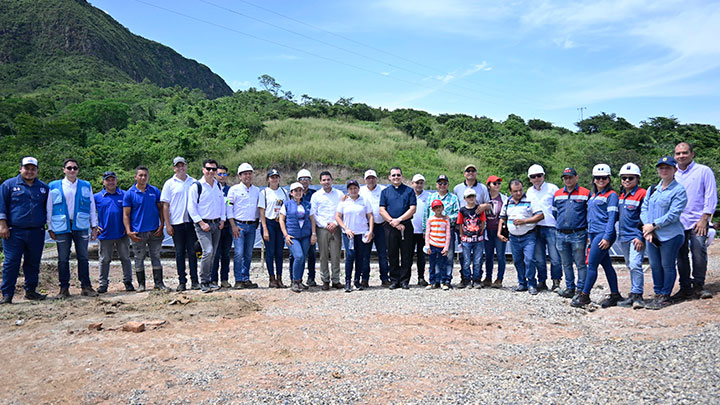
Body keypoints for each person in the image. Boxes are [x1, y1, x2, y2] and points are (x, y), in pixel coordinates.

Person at [572, 164, 623, 308]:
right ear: (594, 179)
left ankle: (584, 296)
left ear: (608, 179)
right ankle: (615, 294)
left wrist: (607, 237)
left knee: (592, 265)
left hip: (603, 234)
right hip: (594, 234)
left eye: (604, 178)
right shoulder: (594, 196)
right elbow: (591, 216)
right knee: (607, 265)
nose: (601, 180)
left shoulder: (611, 195)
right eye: (598, 178)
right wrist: (589, 235)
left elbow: (612, 218)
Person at [640, 156, 688, 310]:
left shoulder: (679, 190)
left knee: (667, 265)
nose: (664, 170)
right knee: (655, 265)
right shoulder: (652, 188)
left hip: (671, 235)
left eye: (667, 167)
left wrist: (653, 226)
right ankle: (658, 293)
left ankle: (666, 295)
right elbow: (644, 208)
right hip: (651, 234)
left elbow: (673, 214)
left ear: (675, 170)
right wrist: (647, 227)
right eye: (661, 167)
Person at [47, 158, 99, 298]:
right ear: (64, 169)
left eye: (74, 168)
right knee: (63, 258)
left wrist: (94, 226)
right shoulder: (53, 186)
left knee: (83, 257)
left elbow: (91, 206)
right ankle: (64, 288)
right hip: (61, 226)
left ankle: (86, 286)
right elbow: (49, 207)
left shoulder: (86, 185)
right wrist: (50, 227)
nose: (72, 170)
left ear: (78, 170)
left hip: (80, 226)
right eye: (69, 168)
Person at [0, 157, 49, 304]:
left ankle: (31, 291)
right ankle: (7, 294)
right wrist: (2, 225)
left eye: (33, 169)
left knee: (33, 262)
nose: (29, 171)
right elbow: (1, 206)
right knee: (11, 262)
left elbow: (48, 209)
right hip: (14, 232)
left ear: (37, 171)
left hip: (36, 231)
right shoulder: (8, 185)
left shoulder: (43, 188)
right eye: (26, 168)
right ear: (20, 169)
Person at [673, 142, 717, 300]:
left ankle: (698, 285)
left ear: (692, 154)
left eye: (684, 153)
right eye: (678, 154)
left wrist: (705, 219)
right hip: (678, 223)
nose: (681, 156)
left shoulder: (704, 171)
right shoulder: (673, 173)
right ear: (674, 156)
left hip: (698, 222)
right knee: (681, 255)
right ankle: (685, 286)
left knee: (698, 252)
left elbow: (711, 196)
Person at [123, 166, 170, 292]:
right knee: (139, 258)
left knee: (156, 256)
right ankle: (141, 284)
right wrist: (128, 231)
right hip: (138, 232)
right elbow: (126, 214)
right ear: (135, 177)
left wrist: (162, 225)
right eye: (140, 175)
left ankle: (159, 283)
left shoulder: (154, 191)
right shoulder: (130, 193)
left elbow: (161, 208)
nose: (143, 177)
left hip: (155, 230)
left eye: (145, 175)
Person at [498, 179, 544, 295]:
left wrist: (525, 221)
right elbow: (502, 218)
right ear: (510, 191)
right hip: (513, 237)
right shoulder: (507, 202)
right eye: (515, 191)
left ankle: (532, 284)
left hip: (528, 235)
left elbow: (540, 216)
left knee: (529, 260)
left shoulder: (530, 200)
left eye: (520, 190)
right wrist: (499, 233)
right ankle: (522, 283)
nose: (518, 193)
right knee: (518, 261)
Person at [187, 159, 226, 293]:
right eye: (208, 169)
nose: (211, 172)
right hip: (203, 224)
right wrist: (201, 223)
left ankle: (210, 281)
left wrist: (223, 219)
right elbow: (191, 207)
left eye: (213, 169)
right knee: (208, 251)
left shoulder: (218, 186)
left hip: (216, 224)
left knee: (213, 253)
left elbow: (222, 204)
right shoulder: (196, 186)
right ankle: (203, 281)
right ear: (203, 169)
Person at [160, 156, 198, 292]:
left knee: (193, 252)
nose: (180, 168)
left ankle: (195, 281)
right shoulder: (169, 184)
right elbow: (165, 205)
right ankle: (182, 281)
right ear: (174, 168)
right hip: (177, 223)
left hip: (191, 223)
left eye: (183, 165)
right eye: (178, 166)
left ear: (186, 166)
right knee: (180, 253)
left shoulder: (194, 182)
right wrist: (168, 225)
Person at [552, 167, 590, 299]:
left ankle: (581, 290)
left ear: (576, 177)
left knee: (580, 263)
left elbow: (589, 214)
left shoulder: (585, 193)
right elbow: (555, 212)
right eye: (565, 178)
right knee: (566, 263)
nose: (567, 180)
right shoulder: (557, 194)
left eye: (570, 177)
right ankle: (570, 288)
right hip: (561, 234)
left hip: (578, 234)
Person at [94, 171, 134, 293]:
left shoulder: (125, 195)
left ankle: (128, 282)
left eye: (113, 179)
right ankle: (103, 284)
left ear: (116, 181)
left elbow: (131, 212)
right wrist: (94, 227)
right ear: (103, 182)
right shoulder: (96, 197)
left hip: (122, 233)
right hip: (105, 234)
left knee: (125, 258)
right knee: (104, 259)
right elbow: (90, 213)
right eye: (108, 180)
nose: (111, 182)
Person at [615, 163, 648, 308]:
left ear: (637, 179)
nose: (627, 180)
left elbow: (646, 216)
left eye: (630, 178)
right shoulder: (621, 195)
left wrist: (640, 236)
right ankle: (633, 293)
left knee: (635, 265)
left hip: (635, 237)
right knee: (629, 265)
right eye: (624, 178)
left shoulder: (643, 194)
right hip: (623, 237)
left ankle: (638, 295)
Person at [379, 167, 417, 289]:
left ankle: (405, 280)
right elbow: (381, 209)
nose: (396, 177)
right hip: (390, 227)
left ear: (402, 176)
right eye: (393, 175)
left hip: (405, 226)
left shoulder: (409, 191)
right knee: (392, 253)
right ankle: (394, 280)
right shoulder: (385, 192)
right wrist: (392, 221)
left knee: (407, 254)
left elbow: (412, 209)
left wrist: (399, 220)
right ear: (390, 177)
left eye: (398, 175)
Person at [526, 164, 561, 291]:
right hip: (536, 228)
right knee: (539, 259)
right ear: (529, 179)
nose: (536, 178)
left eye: (539, 175)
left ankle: (556, 282)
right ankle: (542, 281)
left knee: (555, 257)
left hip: (552, 227)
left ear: (544, 176)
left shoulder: (553, 189)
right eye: (533, 176)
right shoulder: (529, 192)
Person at [453, 164, 492, 282]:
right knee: (464, 256)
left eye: (473, 171)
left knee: (478, 257)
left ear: (476, 173)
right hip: (463, 228)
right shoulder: (457, 188)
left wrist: (484, 206)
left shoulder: (483, 188)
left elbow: (489, 204)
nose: (470, 173)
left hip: (478, 228)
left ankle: (477, 278)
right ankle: (464, 278)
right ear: (464, 173)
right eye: (468, 171)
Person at [335, 179, 374, 292]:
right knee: (350, 256)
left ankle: (357, 281)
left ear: (358, 189)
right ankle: (348, 282)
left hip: (362, 232)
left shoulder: (364, 200)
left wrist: (370, 231)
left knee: (360, 257)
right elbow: (338, 216)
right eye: (351, 188)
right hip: (349, 233)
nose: (353, 190)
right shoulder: (344, 201)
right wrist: (345, 228)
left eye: (355, 188)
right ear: (348, 190)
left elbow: (370, 216)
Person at [226, 162, 260, 289]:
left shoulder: (256, 190)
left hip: (251, 226)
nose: (248, 176)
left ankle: (246, 278)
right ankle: (238, 280)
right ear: (239, 176)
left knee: (248, 254)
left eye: (249, 173)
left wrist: (256, 222)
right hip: (238, 225)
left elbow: (258, 208)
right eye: (245, 174)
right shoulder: (233, 190)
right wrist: (233, 225)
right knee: (239, 253)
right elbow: (229, 208)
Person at [424, 175, 461, 286]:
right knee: (433, 259)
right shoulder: (431, 197)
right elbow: (426, 214)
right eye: (440, 183)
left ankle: (447, 280)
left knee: (448, 257)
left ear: (448, 185)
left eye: (444, 183)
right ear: (436, 185)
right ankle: (436, 280)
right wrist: (424, 230)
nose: (442, 185)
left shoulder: (453, 198)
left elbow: (457, 213)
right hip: (433, 232)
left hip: (447, 231)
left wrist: (448, 217)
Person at [280, 182, 317, 293]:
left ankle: (300, 281)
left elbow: (312, 220)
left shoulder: (307, 204)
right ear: (291, 193)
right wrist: (286, 235)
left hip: (305, 236)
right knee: (299, 256)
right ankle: (295, 281)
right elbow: (281, 220)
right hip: (292, 236)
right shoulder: (286, 205)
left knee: (302, 258)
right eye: (295, 191)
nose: (298, 193)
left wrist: (313, 234)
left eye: (300, 190)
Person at [310, 171, 344, 290]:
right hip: (322, 228)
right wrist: (325, 224)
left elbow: (342, 210)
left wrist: (335, 223)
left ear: (332, 180)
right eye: (324, 180)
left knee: (336, 255)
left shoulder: (339, 194)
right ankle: (325, 280)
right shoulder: (316, 196)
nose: (326, 182)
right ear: (320, 181)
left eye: (328, 179)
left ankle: (336, 280)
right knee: (323, 255)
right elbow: (314, 214)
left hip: (336, 227)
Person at [258, 168, 289, 288]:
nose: (274, 179)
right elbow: (262, 212)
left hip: (280, 224)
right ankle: (272, 278)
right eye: (272, 177)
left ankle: (280, 277)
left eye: (276, 177)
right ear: (268, 179)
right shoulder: (264, 193)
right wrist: (265, 228)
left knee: (279, 252)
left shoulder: (284, 192)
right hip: (269, 223)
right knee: (270, 252)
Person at [359, 169, 390, 287]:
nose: (370, 180)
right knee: (365, 254)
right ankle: (365, 279)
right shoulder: (360, 190)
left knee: (382, 253)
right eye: (368, 178)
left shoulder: (383, 190)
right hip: (365, 227)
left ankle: (385, 278)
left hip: (381, 226)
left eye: (372, 178)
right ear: (365, 180)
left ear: (376, 179)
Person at [289, 169, 317, 287]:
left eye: (307, 179)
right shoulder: (292, 194)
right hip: (295, 231)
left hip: (309, 230)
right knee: (295, 255)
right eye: (302, 179)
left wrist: (314, 232)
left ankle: (311, 277)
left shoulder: (314, 194)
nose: (304, 181)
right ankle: (293, 278)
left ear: (310, 181)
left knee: (311, 254)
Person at [457, 188, 487, 288]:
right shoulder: (462, 210)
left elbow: (483, 222)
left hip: (478, 239)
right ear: (465, 198)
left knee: (478, 261)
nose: (471, 198)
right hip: (466, 239)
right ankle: (466, 279)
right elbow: (460, 224)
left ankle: (477, 279)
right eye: (469, 197)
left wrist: (480, 233)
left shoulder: (479, 209)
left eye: (473, 196)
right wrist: (462, 236)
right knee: (466, 261)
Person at [484, 175, 507, 288]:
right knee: (488, 255)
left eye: (499, 183)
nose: (497, 185)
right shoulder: (484, 198)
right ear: (489, 185)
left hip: (500, 230)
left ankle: (499, 278)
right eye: (494, 183)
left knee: (501, 255)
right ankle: (488, 277)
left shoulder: (503, 198)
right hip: (487, 230)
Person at [211, 165, 232, 288]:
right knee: (215, 253)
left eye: (224, 174)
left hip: (227, 226)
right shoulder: (212, 188)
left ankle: (224, 279)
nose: (222, 176)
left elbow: (230, 206)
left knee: (226, 254)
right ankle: (213, 279)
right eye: (220, 174)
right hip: (215, 224)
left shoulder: (230, 190)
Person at [425, 199, 451, 290]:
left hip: (442, 245)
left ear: (442, 208)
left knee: (442, 264)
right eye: (435, 207)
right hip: (432, 245)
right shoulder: (430, 220)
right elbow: (427, 233)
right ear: (432, 210)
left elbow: (448, 234)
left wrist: (446, 247)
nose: (438, 209)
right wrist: (427, 246)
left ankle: (443, 282)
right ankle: (432, 282)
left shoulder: (446, 220)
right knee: (432, 264)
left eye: (439, 207)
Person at [410, 174, 430, 286]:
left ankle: (421, 277)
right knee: (408, 256)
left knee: (422, 256)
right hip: (410, 230)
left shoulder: (429, 196)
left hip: (423, 231)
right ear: (412, 183)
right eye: (417, 182)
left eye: (421, 183)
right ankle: (405, 278)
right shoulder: (408, 194)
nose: (419, 185)